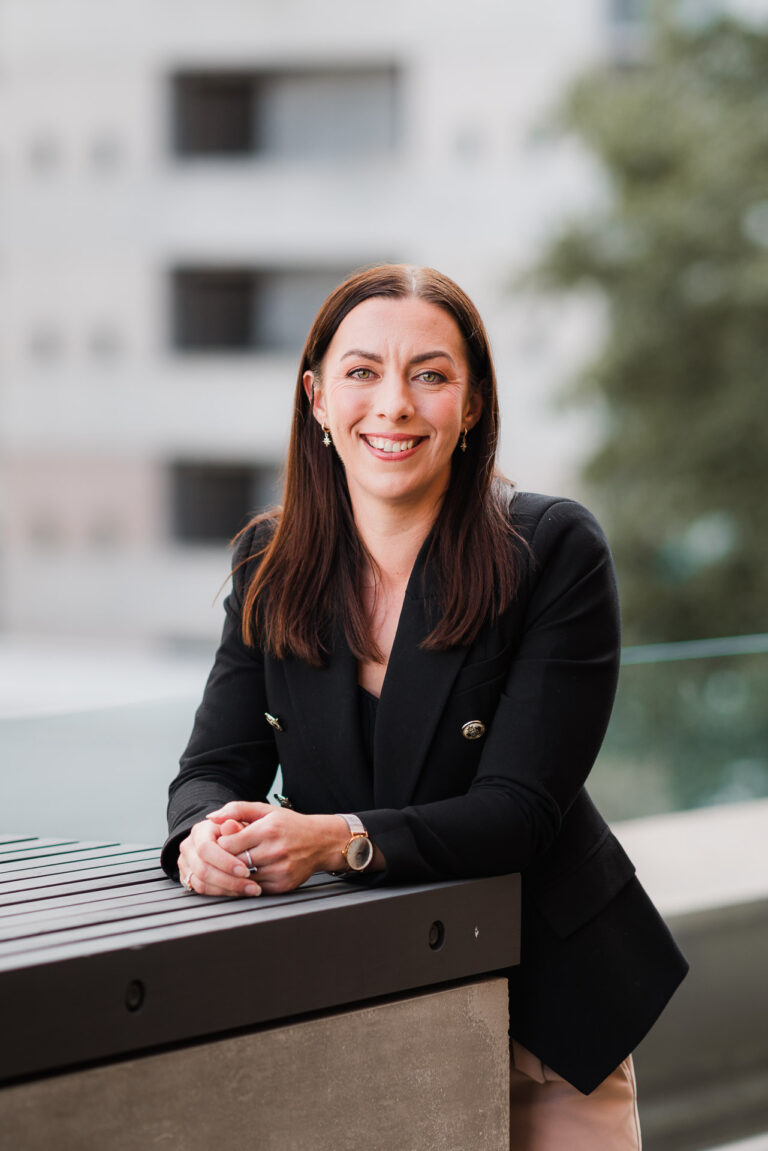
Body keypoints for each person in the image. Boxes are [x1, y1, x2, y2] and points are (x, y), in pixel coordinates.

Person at [162, 264, 687, 1149]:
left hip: (546, 1013)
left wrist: (334, 839)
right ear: (318, 399)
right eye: (363, 372)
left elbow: (517, 813)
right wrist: (204, 841)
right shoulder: (270, 560)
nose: (394, 404)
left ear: (472, 404)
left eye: (431, 374)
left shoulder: (552, 549)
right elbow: (212, 769)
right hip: (359, 1007)